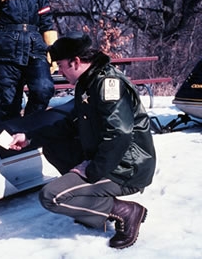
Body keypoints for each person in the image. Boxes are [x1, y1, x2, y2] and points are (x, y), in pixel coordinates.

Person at [9, 32, 156, 249]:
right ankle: (88, 204)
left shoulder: (107, 85)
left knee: (51, 196)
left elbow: (119, 135)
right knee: (54, 146)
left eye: (61, 65)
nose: (59, 71)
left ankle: (127, 211)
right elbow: (70, 124)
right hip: (106, 157)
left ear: (76, 61)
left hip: (127, 167)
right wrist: (30, 138)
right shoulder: (87, 82)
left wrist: (90, 171)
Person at [0, 0, 58, 119]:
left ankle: (30, 126)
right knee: (8, 101)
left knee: (44, 88)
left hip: (36, 49)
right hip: (6, 52)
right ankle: (11, 132)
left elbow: (47, 23)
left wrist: (54, 52)